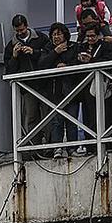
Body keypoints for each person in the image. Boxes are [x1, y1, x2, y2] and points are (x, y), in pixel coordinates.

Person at [5, 14, 51, 149]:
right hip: (27, 87)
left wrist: (33, 52)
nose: (20, 33)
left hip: (44, 84)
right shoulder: (11, 46)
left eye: (22, 30)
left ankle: (50, 146)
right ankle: (33, 148)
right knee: (31, 117)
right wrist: (14, 56)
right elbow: (9, 69)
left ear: (27, 26)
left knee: (48, 115)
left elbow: (49, 56)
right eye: (17, 31)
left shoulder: (41, 38)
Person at [40, 22, 81, 158]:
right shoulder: (48, 49)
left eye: (59, 34)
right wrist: (55, 52)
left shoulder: (74, 47)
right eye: (53, 34)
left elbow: (78, 62)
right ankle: (57, 148)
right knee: (56, 121)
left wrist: (67, 65)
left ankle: (72, 148)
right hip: (54, 90)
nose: (56, 37)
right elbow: (42, 64)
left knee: (72, 120)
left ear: (65, 35)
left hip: (71, 89)